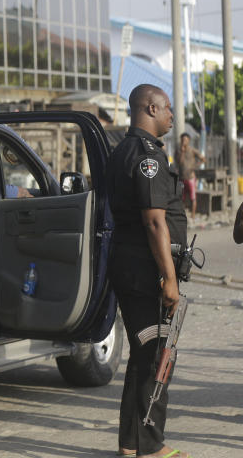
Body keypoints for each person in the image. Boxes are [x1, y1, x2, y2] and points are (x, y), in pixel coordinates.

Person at [105, 84, 189, 458]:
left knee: (142, 358)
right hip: (147, 270)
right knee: (157, 358)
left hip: (130, 265)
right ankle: (151, 448)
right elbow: (155, 222)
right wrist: (169, 280)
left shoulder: (122, 150)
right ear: (151, 108)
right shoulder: (147, 156)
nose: (172, 115)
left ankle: (130, 444)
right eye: (168, 108)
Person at [175, 132, 205, 219]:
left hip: (191, 177)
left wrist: (195, 166)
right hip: (182, 177)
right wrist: (182, 152)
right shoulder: (178, 151)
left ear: (189, 140)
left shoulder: (192, 150)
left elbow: (203, 158)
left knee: (193, 197)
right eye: (182, 139)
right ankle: (182, 214)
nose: (184, 141)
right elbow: (179, 162)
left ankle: (193, 215)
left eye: (185, 139)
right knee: (181, 197)